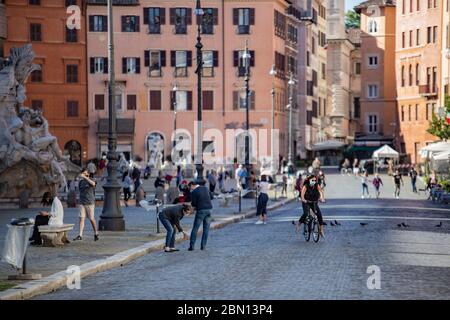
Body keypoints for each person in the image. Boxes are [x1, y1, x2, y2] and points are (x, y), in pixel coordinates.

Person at [74, 168, 99, 241]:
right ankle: (80, 235)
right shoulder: (81, 182)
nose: (83, 175)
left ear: (88, 174)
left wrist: (85, 177)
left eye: (84, 173)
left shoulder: (92, 179)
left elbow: (93, 184)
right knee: (81, 218)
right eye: (82, 173)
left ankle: (96, 233)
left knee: (91, 218)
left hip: (90, 202)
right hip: (82, 202)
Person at [188, 180, 213, 251]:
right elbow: (211, 196)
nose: (190, 189)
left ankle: (192, 246)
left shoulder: (194, 192)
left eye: (190, 187)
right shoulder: (205, 188)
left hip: (201, 210)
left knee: (195, 228)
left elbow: (194, 204)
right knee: (206, 229)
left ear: (192, 185)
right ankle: (203, 246)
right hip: (209, 209)